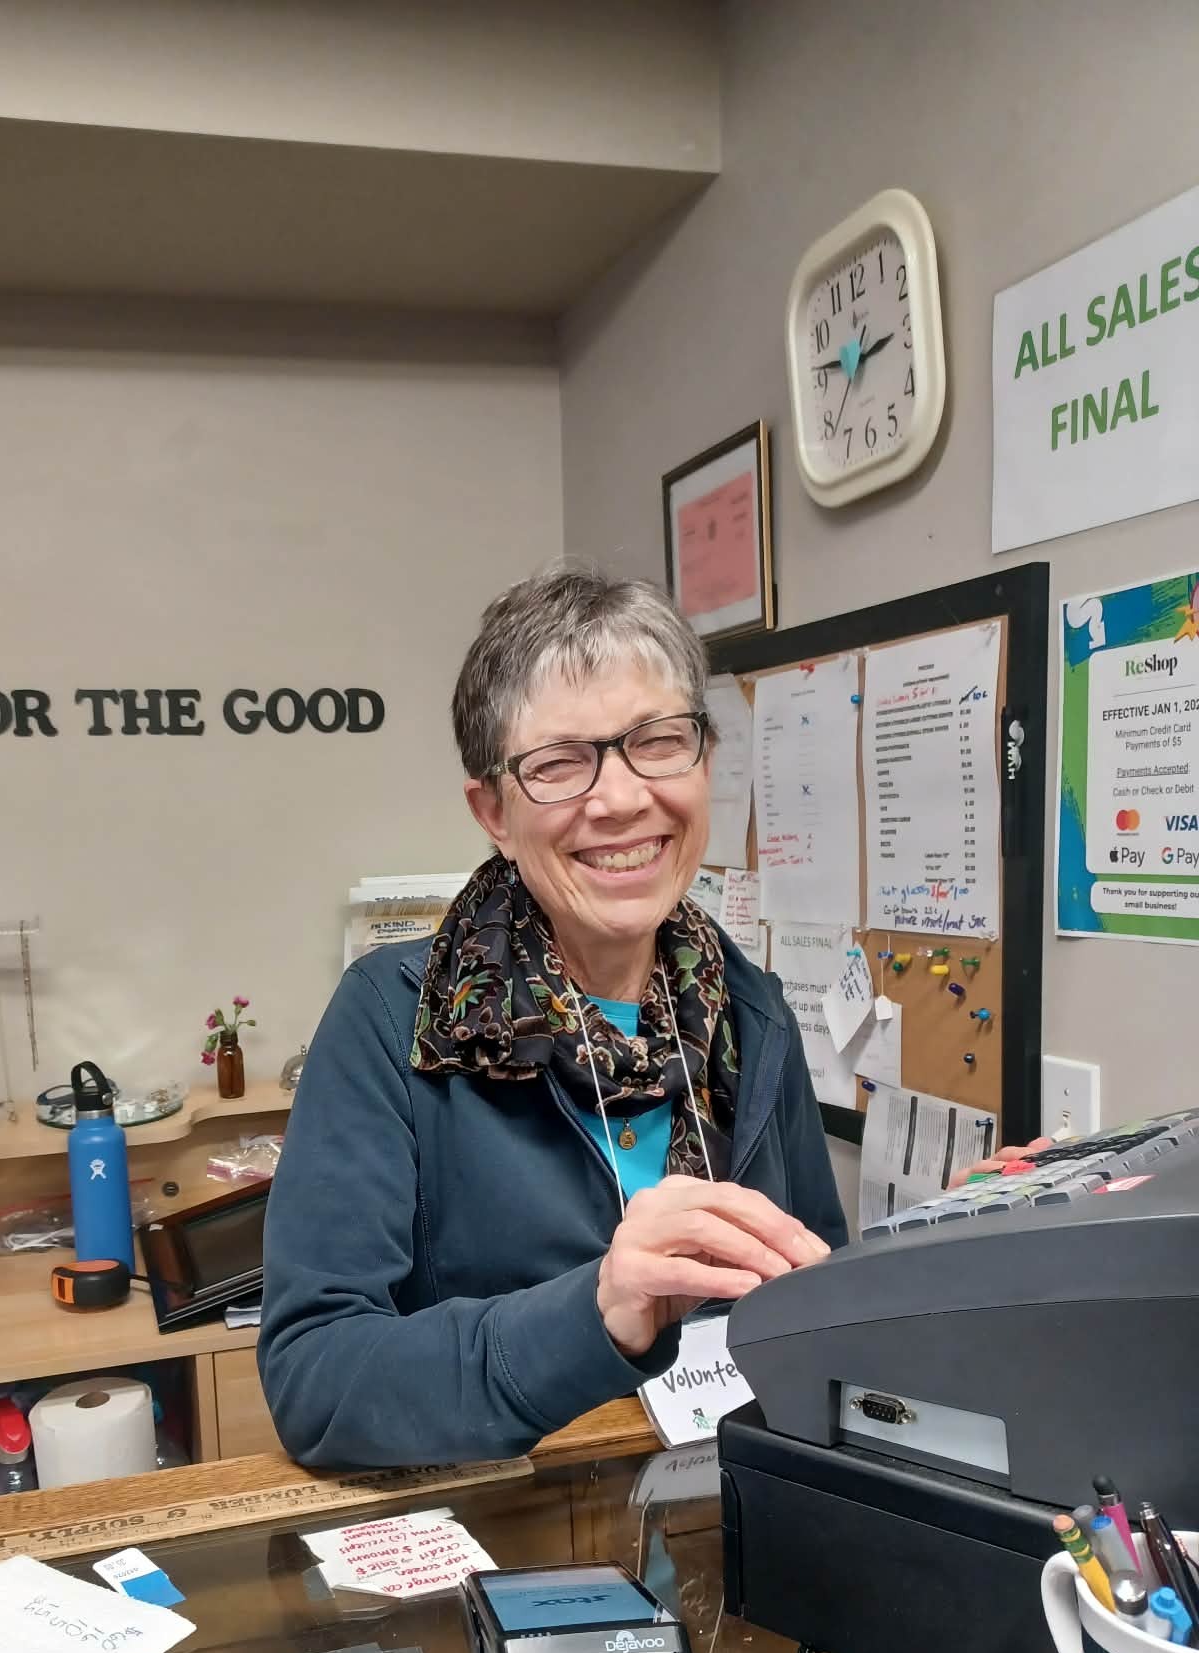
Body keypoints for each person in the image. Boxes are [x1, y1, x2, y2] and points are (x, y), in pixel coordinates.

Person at [259, 562, 845, 1469]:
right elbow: (318, 1383)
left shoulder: (751, 1012)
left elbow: (821, 1302)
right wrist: (595, 1316)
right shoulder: (392, 1021)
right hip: (502, 1540)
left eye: (656, 741)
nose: (618, 799)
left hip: (722, 1529)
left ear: (703, 761)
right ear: (492, 810)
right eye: (560, 764)